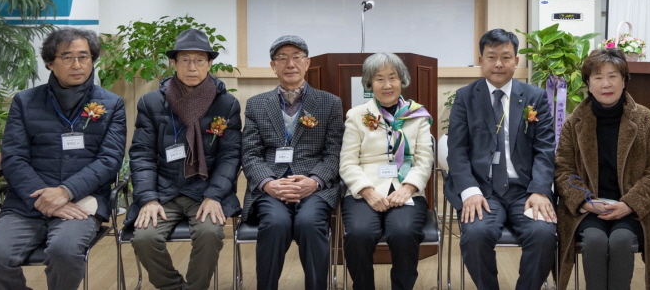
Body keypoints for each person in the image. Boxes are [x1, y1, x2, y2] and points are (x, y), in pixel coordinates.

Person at [0, 28, 126, 290]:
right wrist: (46, 199)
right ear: (49, 63)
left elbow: (109, 160)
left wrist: (66, 191)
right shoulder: (25, 102)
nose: (77, 65)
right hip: (29, 202)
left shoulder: (111, 104)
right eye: (67, 57)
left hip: (82, 201)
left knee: (64, 252)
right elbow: (14, 158)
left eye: (84, 57)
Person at [127, 28, 242, 290]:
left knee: (210, 233)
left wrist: (214, 195)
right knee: (144, 238)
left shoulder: (226, 104)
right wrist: (148, 198)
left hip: (205, 190)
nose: (192, 67)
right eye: (185, 60)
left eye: (199, 60)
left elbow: (230, 155)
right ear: (174, 63)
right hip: (163, 190)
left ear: (209, 64)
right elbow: (142, 154)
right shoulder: (151, 102)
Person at [444, 29, 557, 290]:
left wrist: (540, 190)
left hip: (525, 190)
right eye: (491, 57)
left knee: (543, 235)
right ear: (480, 60)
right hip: (482, 190)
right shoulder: (465, 97)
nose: (498, 64)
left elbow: (545, 149)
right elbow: (457, 151)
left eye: (505, 57)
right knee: (475, 235)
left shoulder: (535, 97)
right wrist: (470, 191)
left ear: (516, 61)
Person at [555, 48, 650, 290]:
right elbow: (563, 170)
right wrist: (586, 201)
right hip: (588, 208)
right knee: (594, 241)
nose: (606, 84)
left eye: (613, 76)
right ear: (588, 83)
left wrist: (629, 203)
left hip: (632, 208)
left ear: (624, 80)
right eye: (597, 77)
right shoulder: (574, 123)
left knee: (621, 240)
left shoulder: (645, 119)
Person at [242, 35, 344, 290]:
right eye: (282, 58)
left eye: (297, 57)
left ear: (307, 63)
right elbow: (251, 153)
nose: (290, 64)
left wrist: (315, 181)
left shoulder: (329, 103)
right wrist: (268, 183)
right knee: (274, 224)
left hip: (314, 187)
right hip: (272, 187)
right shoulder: (256, 104)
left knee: (309, 223)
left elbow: (334, 152)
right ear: (273, 65)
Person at [340, 53, 434, 290]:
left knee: (403, 233)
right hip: (365, 190)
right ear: (369, 83)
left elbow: (425, 160)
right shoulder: (357, 115)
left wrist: (408, 188)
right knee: (359, 234)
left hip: (406, 189)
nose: (387, 85)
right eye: (379, 78)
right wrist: (368, 191)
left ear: (402, 80)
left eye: (392, 77)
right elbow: (348, 163)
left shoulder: (418, 115)